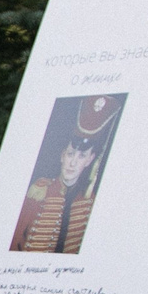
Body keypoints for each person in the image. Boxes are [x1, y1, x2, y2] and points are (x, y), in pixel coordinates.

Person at [11, 93, 120, 254]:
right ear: (62, 155)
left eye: (81, 156)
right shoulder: (40, 190)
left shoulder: (88, 199)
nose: (73, 162)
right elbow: (16, 241)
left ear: (90, 160)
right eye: (70, 154)